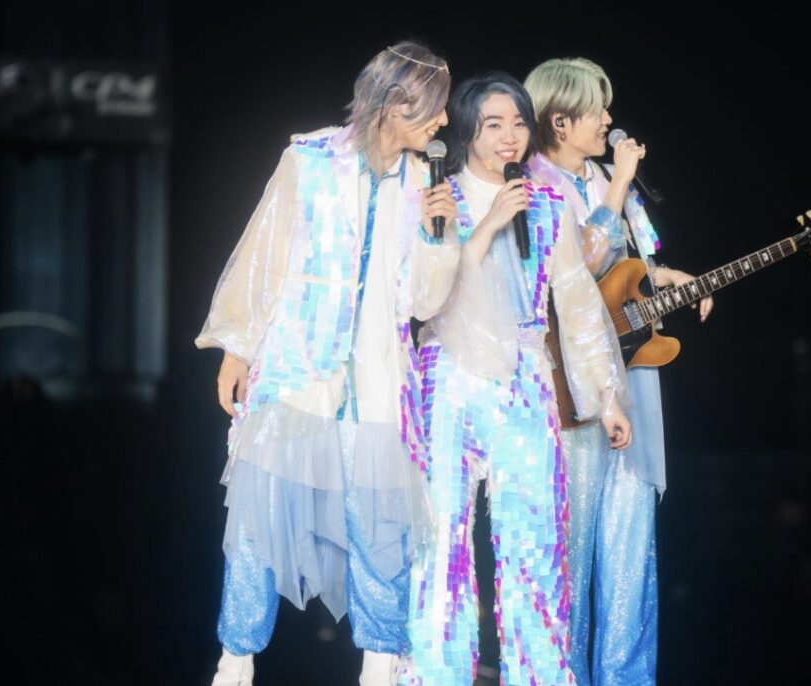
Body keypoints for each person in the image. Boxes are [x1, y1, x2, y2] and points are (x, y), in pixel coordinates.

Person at [195, 42, 459, 686]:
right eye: (434, 106)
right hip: (296, 369)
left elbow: (423, 302)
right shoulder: (308, 161)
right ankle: (235, 662)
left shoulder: (422, 183)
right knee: (259, 520)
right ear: (395, 103)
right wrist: (237, 347)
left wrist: (439, 235)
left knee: (379, 528)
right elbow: (263, 256)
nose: (444, 120)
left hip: (375, 379)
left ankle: (380, 667)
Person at [398, 71, 631, 686]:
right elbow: (425, 300)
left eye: (519, 123)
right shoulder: (437, 197)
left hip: (526, 379)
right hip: (447, 376)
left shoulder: (547, 204)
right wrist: (488, 225)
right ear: (467, 130)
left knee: (535, 544)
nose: (510, 137)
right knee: (439, 543)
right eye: (494, 124)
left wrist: (607, 396)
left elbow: (577, 305)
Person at [524, 57, 714, 686]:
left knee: (632, 546)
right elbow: (577, 262)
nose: (609, 119)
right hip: (568, 385)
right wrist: (618, 184)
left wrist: (667, 276)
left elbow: (627, 266)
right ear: (560, 120)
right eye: (597, 109)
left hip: (630, 372)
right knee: (569, 549)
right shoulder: (534, 182)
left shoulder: (609, 177)